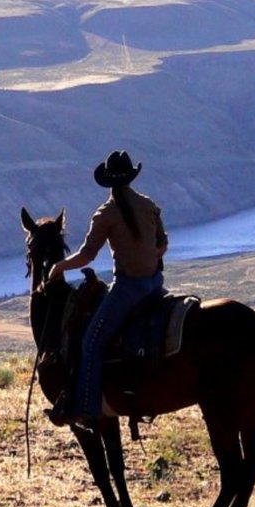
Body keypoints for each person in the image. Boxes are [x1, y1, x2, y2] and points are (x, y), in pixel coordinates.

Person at [46, 150, 168, 426]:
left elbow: (87, 256)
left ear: (107, 182)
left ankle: (87, 408)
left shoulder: (106, 213)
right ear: (130, 177)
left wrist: (59, 267)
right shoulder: (148, 204)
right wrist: (146, 256)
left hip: (129, 288)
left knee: (92, 340)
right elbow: (162, 246)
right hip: (155, 284)